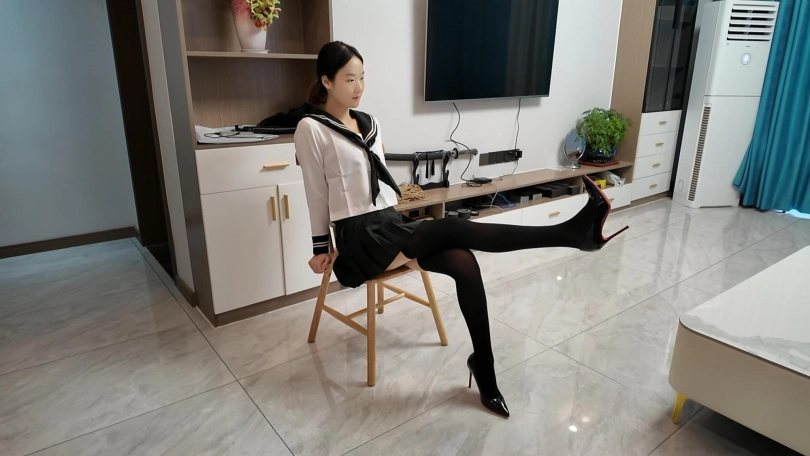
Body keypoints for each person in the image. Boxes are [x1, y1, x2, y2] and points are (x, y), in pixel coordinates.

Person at [294, 41, 628, 418]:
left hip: (390, 223)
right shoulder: (311, 128)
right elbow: (315, 193)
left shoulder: (369, 122)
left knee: (464, 262)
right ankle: (569, 234)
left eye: (362, 77)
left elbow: (381, 186)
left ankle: (484, 367)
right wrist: (319, 247)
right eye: (349, 79)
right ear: (326, 81)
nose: (359, 87)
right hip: (359, 239)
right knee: (453, 226)